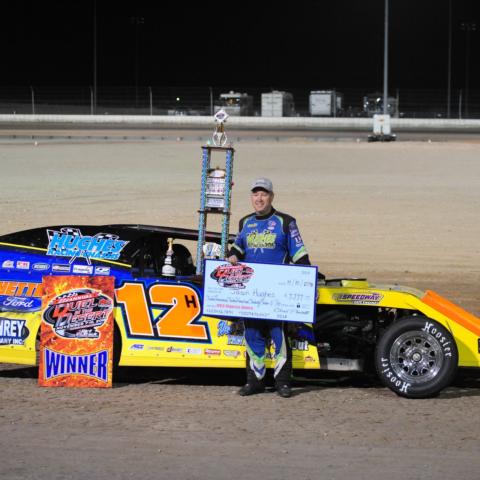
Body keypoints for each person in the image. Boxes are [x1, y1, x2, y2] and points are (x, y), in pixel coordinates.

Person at [227, 177, 311, 398]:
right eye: (255, 194)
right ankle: (254, 382)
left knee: (279, 336)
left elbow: (300, 254)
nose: (259, 198)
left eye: (263, 194)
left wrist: (308, 283)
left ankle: (283, 383)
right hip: (251, 293)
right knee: (252, 334)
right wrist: (233, 256)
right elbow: (237, 248)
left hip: (278, 294)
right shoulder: (245, 222)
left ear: (271, 197)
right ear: (251, 197)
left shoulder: (286, 222)